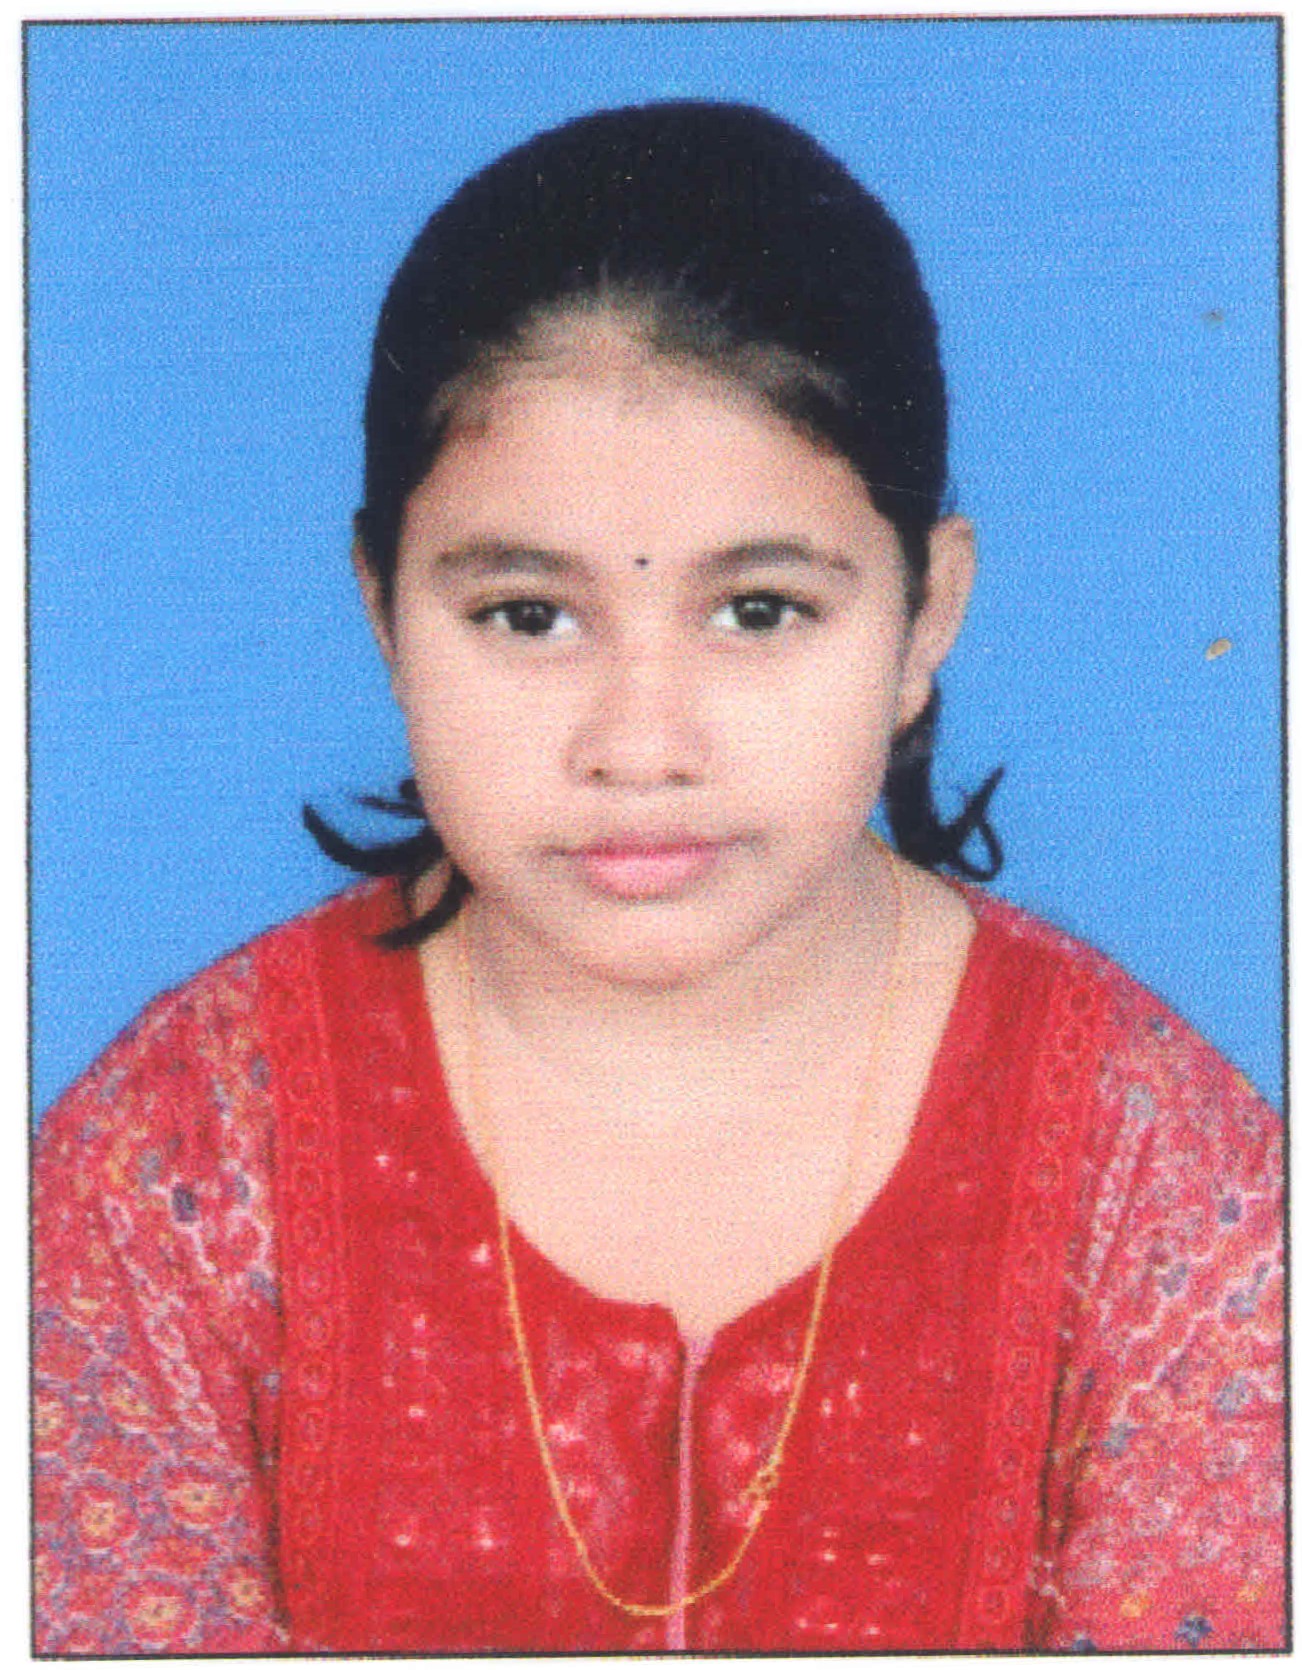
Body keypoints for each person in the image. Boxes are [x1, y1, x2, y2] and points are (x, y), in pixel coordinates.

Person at [33, 100, 1284, 1654]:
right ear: (383, 610)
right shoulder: (174, 1162)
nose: (639, 745)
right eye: (526, 615)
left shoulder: (1158, 1175)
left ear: (925, 614)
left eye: (758, 611)